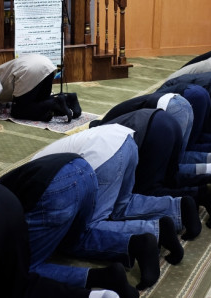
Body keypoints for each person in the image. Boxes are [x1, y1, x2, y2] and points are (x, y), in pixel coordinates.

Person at [31, 124, 194, 289]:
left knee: (88, 228)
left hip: (100, 156)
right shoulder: (37, 162)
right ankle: (175, 210)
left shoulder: (31, 176)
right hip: (127, 142)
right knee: (122, 204)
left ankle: (149, 234)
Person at [0, 153, 140, 298]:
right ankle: (135, 244)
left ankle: (101, 278)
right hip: (86, 171)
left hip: (56, 188)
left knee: (20, 271)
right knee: (75, 238)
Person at [0, 53, 79, 122]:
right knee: (41, 102)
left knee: (18, 112)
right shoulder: (1, 71)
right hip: (47, 65)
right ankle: (68, 98)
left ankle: (55, 102)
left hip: (28, 71)